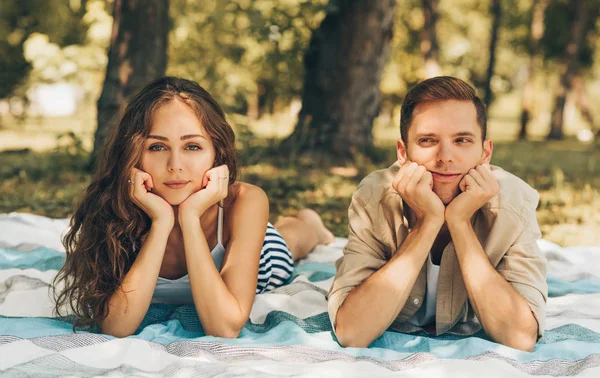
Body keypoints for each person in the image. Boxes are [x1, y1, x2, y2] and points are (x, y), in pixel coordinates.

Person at [53, 76, 334, 338]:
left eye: (192, 147)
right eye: (157, 147)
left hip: (263, 255)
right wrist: (162, 223)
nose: (175, 165)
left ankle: (311, 224)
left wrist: (189, 218)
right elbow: (116, 327)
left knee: (292, 238)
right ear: (133, 154)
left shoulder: (244, 201)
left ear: (217, 153)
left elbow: (225, 327)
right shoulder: (113, 206)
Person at [328, 76, 547, 352]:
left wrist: (459, 222)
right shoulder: (374, 198)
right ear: (403, 153)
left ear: (485, 153)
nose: (445, 156)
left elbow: (520, 337)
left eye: (462, 140)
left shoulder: (514, 204)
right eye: (428, 140)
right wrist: (427, 223)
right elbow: (352, 332)